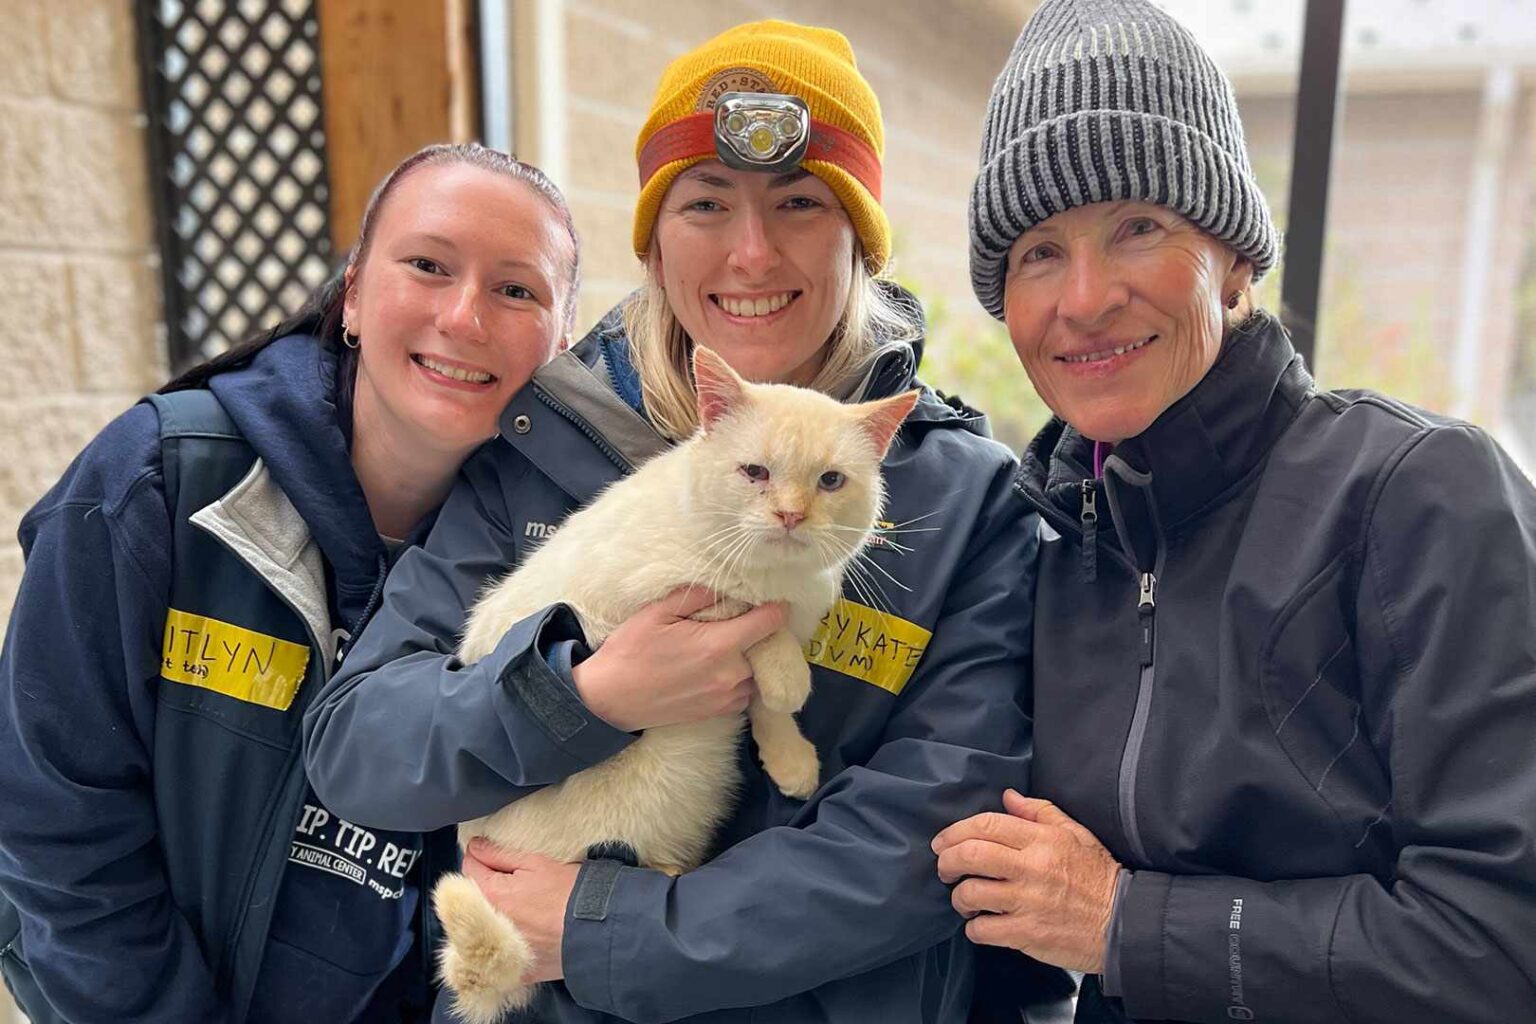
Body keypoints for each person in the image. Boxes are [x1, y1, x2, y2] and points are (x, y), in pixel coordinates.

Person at [304, 20, 1069, 1024]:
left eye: (800, 203)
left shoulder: (964, 505)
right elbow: (360, 746)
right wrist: (577, 693)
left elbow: (929, 840)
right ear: (656, 242)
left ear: (862, 242)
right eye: (706, 203)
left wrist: (600, 929)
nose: (752, 252)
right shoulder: (537, 452)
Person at [934, 2, 1536, 1021]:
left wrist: (1123, 921)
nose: (1083, 298)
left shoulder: (1422, 494)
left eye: (1138, 227)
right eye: (1039, 250)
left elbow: (1500, 946)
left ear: (1237, 258)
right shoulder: (1048, 540)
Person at [0, 143, 581, 1023]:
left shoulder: (561, 557)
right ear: (352, 293)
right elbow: (53, 817)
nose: (465, 317)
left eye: (517, 290)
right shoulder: (162, 480)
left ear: (560, 342)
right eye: (427, 265)